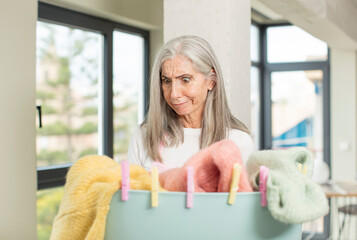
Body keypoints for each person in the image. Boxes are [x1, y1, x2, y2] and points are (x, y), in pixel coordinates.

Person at [127, 35, 254, 172]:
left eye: (185, 80)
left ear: (211, 81)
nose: (174, 94)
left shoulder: (238, 141)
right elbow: (129, 192)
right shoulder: (144, 136)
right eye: (167, 81)